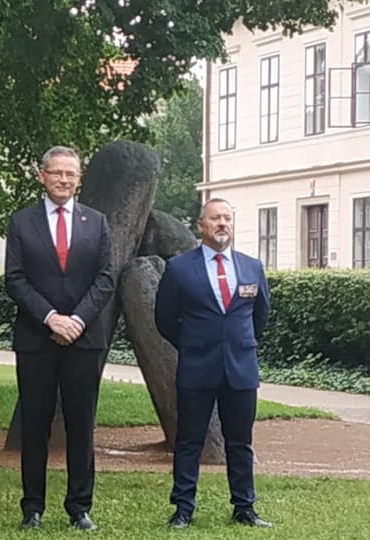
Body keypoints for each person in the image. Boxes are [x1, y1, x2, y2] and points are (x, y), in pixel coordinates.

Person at [4, 146, 114, 531]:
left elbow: (105, 279)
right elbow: (15, 279)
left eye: (71, 174)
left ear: (78, 179)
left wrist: (77, 320)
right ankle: (32, 507)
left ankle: (80, 508)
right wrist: (51, 319)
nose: (64, 180)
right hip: (37, 339)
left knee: (81, 425)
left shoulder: (97, 222)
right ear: (42, 175)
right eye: (57, 173)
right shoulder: (22, 222)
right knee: (35, 425)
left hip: (84, 341)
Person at [154, 197, 272, 529]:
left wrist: (239, 342)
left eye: (227, 218)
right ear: (201, 225)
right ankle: (183, 509)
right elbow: (164, 318)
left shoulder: (252, 267)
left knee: (240, 442)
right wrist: (192, 345)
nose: (222, 224)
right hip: (197, 367)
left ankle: (245, 507)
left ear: (233, 225)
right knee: (189, 441)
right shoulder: (179, 268)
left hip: (241, 368)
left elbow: (260, 315)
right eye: (215, 218)